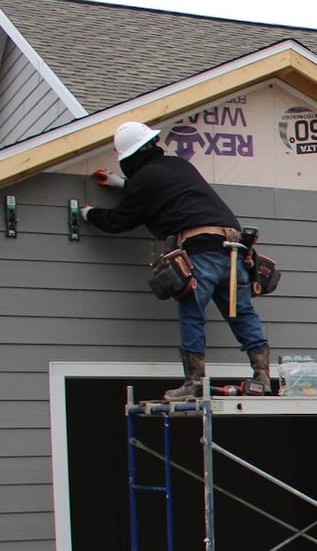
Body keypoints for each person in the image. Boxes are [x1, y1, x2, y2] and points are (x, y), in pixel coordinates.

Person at [81, 120, 271, 401]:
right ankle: (263, 377)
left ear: (129, 158)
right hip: (234, 249)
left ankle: (194, 382)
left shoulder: (144, 179)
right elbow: (167, 193)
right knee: (241, 312)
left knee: (192, 313)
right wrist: (122, 185)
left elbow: (120, 220)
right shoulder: (180, 166)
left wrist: (89, 213)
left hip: (200, 251)